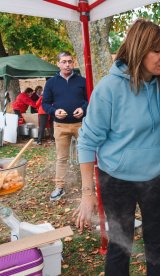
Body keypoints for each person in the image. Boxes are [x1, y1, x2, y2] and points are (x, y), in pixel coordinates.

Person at [73, 19, 160, 276]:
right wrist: (87, 193)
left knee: (157, 244)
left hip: (157, 176)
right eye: (157, 51)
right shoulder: (110, 88)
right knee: (120, 247)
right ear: (139, 49)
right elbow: (87, 141)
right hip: (117, 180)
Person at [42, 51, 88, 201]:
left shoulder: (82, 81)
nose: (67, 64)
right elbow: (45, 103)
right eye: (64, 61)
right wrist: (55, 111)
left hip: (81, 125)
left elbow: (90, 99)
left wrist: (83, 108)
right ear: (58, 63)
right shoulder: (51, 83)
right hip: (60, 126)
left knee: (85, 156)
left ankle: (87, 188)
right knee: (61, 158)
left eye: (70, 61)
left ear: (73, 63)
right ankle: (59, 187)